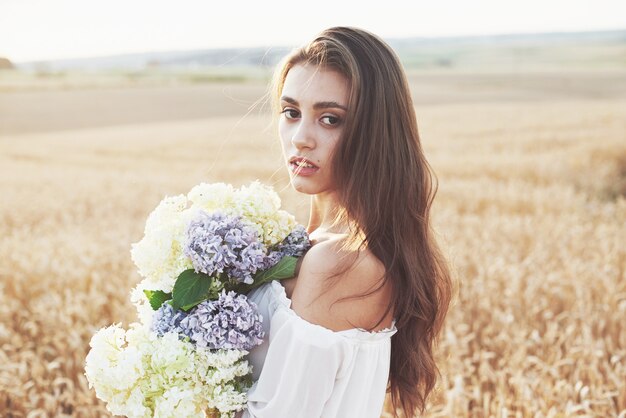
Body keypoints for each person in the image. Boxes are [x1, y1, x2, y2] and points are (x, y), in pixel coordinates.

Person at [237, 26, 453, 418]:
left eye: (330, 119)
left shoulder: (341, 261)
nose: (301, 138)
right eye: (291, 113)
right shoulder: (307, 240)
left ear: (375, 133)